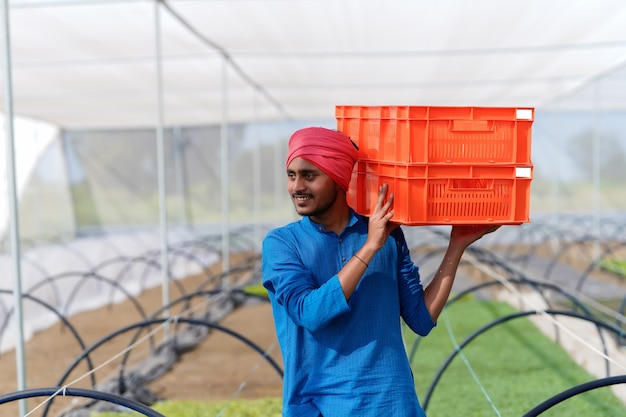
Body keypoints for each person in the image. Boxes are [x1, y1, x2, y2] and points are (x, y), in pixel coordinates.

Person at [261, 126, 499, 417]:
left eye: (310, 176)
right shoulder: (283, 244)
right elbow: (310, 313)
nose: (297, 186)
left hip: (392, 404)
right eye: (291, 175)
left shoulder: (387, 235)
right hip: (319, 406)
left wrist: (457, 245)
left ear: (338, 179)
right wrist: (370, 246)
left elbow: (422, 319)